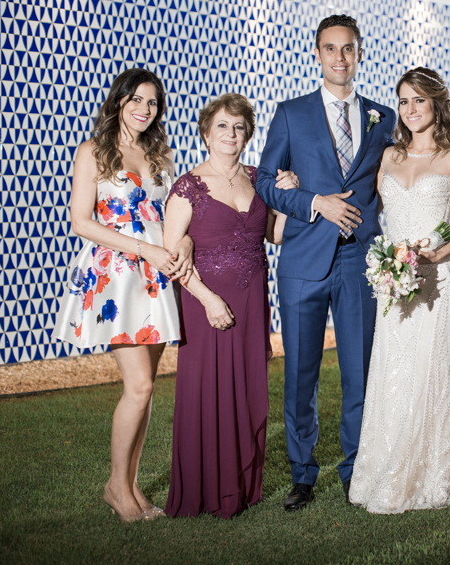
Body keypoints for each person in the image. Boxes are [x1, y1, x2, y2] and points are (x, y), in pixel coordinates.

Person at [255, 14, 396, 511]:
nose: (340, 57)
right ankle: (302, 473)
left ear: (360, 54)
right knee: (301, 375)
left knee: (361, 373)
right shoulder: (290, 113)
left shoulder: (384, 117)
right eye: (330, 48)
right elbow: (266, 182)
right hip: (302, 262)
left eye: (348, 48)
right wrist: (315, 202)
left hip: (360, 261)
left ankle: (357, 469)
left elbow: (394, 180)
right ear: (317, 54)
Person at [348, 67, 450, 514]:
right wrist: (388, 260)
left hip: (438, 277)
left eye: (419, 100)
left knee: (432, 370)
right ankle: (385, 463)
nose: (411, 109)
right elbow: (373, 211)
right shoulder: (388, 156)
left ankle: (436, 468)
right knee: (393, 367)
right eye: (404, 101)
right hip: (394, 278)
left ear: (436, 104)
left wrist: (439, 252)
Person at [52, 68, 191, 522]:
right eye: (136, 100)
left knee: (145, 391)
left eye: (152, 102)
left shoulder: (161, 155)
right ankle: (116, 486)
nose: (144, 109)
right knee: (140, 385)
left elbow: (173, 215)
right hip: (119, 276)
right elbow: (81, 222)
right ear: (119, 101)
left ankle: (130, 487)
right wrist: (143, 248)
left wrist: (183, 243)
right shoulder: (93, 151)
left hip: (157, 278)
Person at [162, 94, 290, 518]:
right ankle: (203, 490)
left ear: (247, 134)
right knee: (206, 389)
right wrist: (208, 299)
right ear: (205, 132)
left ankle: (240, 486)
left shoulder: (258, 179)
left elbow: (274, 236)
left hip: (252, 299)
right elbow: (171, 258)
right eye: (222, 125)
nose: (230, 134)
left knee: (247, 386)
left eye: (238, 127)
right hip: (206, 303)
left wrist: (286, 198)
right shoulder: (188, 187)